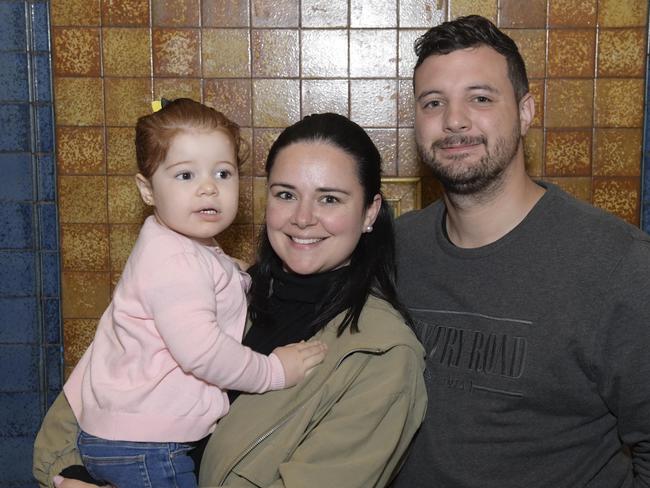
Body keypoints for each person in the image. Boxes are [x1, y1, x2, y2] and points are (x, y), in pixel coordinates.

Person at [33, 112, 427, 488]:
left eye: (329, 199)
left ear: (369, 212)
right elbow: (71, 417)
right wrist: (73, 479)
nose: (303, 217)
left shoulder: (381, 354)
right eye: (286, 194)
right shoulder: (210, 287)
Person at [391, 15, 650, 488]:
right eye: (434, 102)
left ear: (526, 112)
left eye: (481, 98)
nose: (454, 120)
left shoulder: (619, 263)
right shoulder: (391, 251)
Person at [47, 98, 327, 488]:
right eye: (185, 176)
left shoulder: (177, 244)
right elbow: (204, 353)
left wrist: (242, 275)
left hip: (128, 434)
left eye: (223, 173)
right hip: (148, 443)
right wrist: (275, 371)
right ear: (147, 190)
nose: (209, 188)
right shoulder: (176, 261)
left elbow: (214, 274)